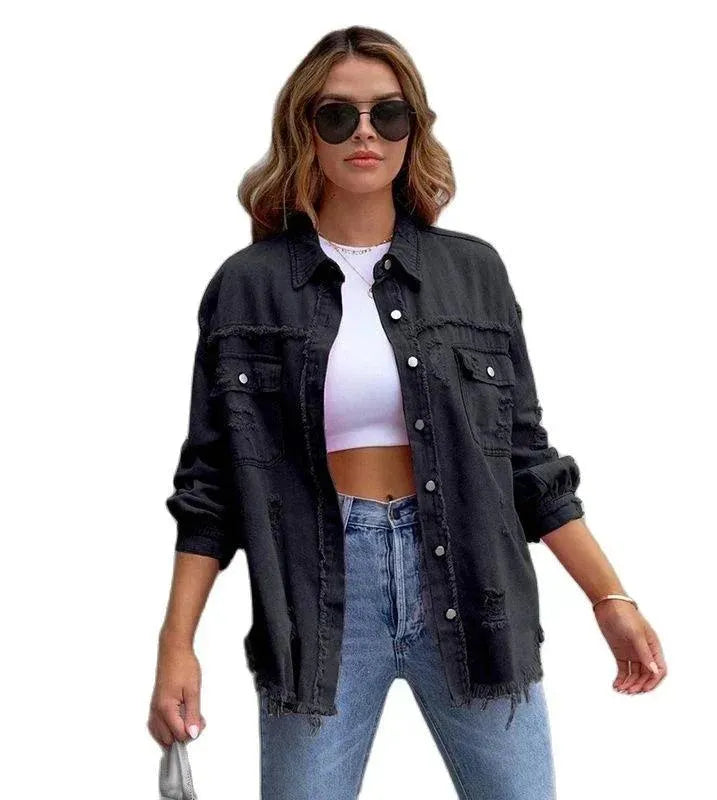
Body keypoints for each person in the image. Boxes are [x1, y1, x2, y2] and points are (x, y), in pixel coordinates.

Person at [148, 25, 667, 800]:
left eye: (387, 114)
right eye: (337, 115)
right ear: (304, 131)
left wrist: (610, 598)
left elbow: (528, 461)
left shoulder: (473, 272)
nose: (365, 133)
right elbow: (211, 486)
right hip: (318, 599)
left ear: (412, 129)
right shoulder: (249, 285)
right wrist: (176, 644)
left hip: (475, 585)